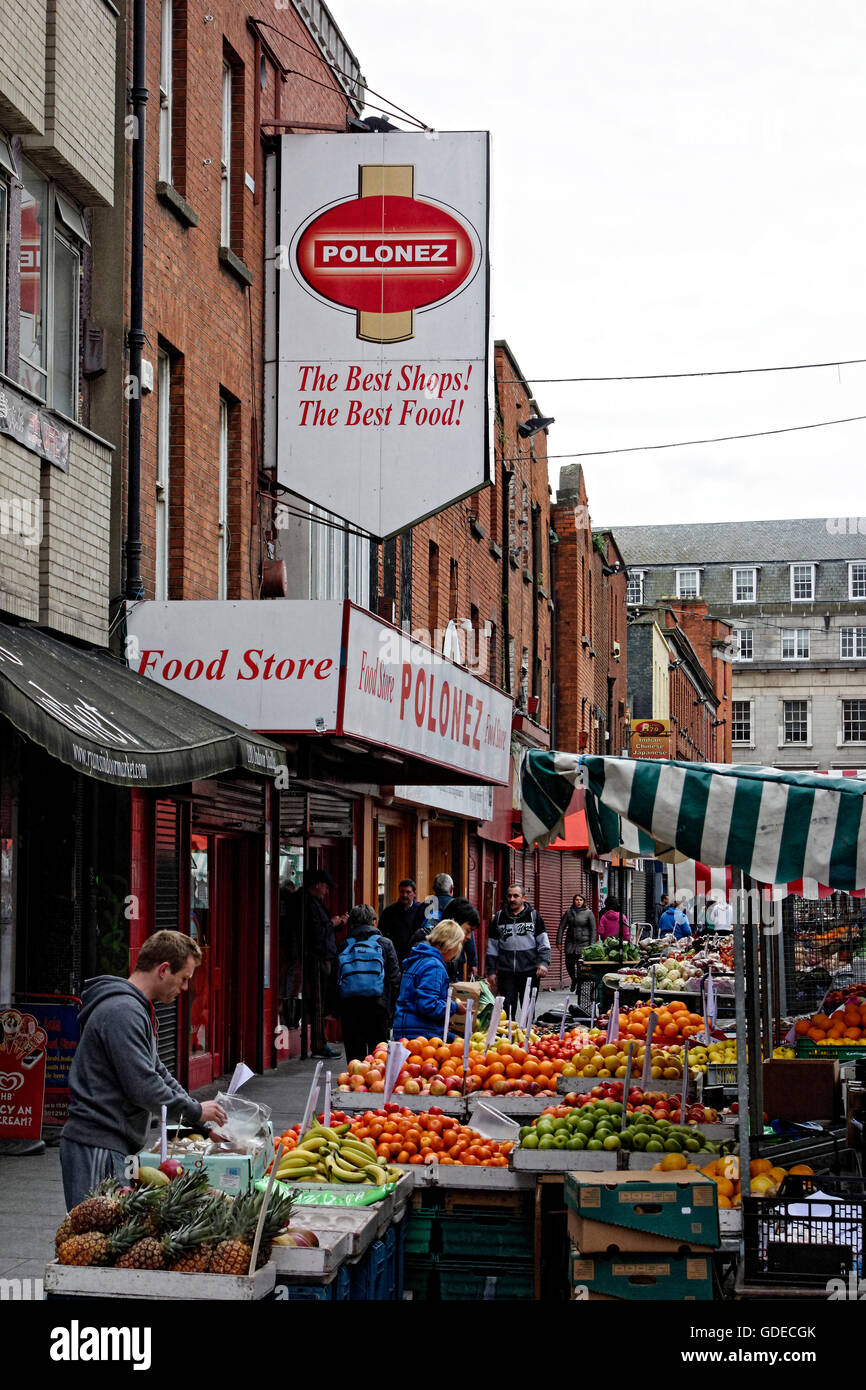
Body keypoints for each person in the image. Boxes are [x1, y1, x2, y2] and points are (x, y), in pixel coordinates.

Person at [60, 930, 228, 1210]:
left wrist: (200, 1122)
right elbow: (143, 1085)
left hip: (114, 1143)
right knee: (95, 1239)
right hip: (98, 1143)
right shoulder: (122, 1012)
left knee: (111, 1237)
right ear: (163, 970)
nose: (185, 988)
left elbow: (158, 1071)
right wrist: (195, 1110)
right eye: (184, 979)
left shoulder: (135, 1009)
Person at [336, 905, 401, 1064]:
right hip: (378, 1007)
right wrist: (392, 1008)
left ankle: (354, 1086)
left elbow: (335, 979)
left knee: (355, 1059)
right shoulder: (385, 944)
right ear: (374, 922)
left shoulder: (345, 945)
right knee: (378, 1057)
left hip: (350, 1008)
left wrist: (334, 1008)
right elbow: (395, 979)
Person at [393, 920, 479, 1040]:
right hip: (419, 1036)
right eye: (459, 944)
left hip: (405, 1029)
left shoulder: (419, 959)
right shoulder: (434, 967)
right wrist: (454, 1007)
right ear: (451, 944)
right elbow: (427, 1005)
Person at [296, 869, 348, 1058]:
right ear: (317, 885)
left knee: (323, 1002)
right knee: (318, 1003)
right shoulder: (308, 904)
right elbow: (315, 932)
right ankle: (318, 1044)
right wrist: (333, 923)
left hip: (323, 956)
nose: (326, 891)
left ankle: (320, 1042)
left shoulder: (314, 903)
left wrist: (338, 924)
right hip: (316, 959)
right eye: (325, 886)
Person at [485, 885, 550, 1021]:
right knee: (507, 1010)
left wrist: (543, 963)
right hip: (506, 973)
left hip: (530, 972)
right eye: (509, 896)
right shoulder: (499, 917)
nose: (512, 899)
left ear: (524, 898)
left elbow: (543, 943)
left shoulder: (534, 917)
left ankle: (527, 1039)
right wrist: (491, 971)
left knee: (528, 1010)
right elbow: (492, 947)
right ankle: (508, 1040)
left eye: (516, 896)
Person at [406, 896, 480, 982]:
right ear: (454, 923)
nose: (469, 937)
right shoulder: (427, 948)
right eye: (468, 930)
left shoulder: (451, 949)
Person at [378, 879, 427, 966]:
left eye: (408, 892)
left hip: (415, 958)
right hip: (394, 959)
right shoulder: (389, 912)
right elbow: (381, 935)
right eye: (402, 892)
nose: (404, 895)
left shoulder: (422, 911)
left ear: (414, 893)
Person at [556, 893, 597, 989]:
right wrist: (559, 941)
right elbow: (561, 927)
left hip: (584, 943)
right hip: (570, 941)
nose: (578, 902)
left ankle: (579, 984)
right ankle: (573, 979)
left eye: (580, 900)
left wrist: (592, 945)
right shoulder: (569, 912)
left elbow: (593, 929)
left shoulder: (589, 913)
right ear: (574, 901)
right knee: (569, 963)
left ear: (584, 902)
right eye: (577, 900)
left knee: (581, 965)